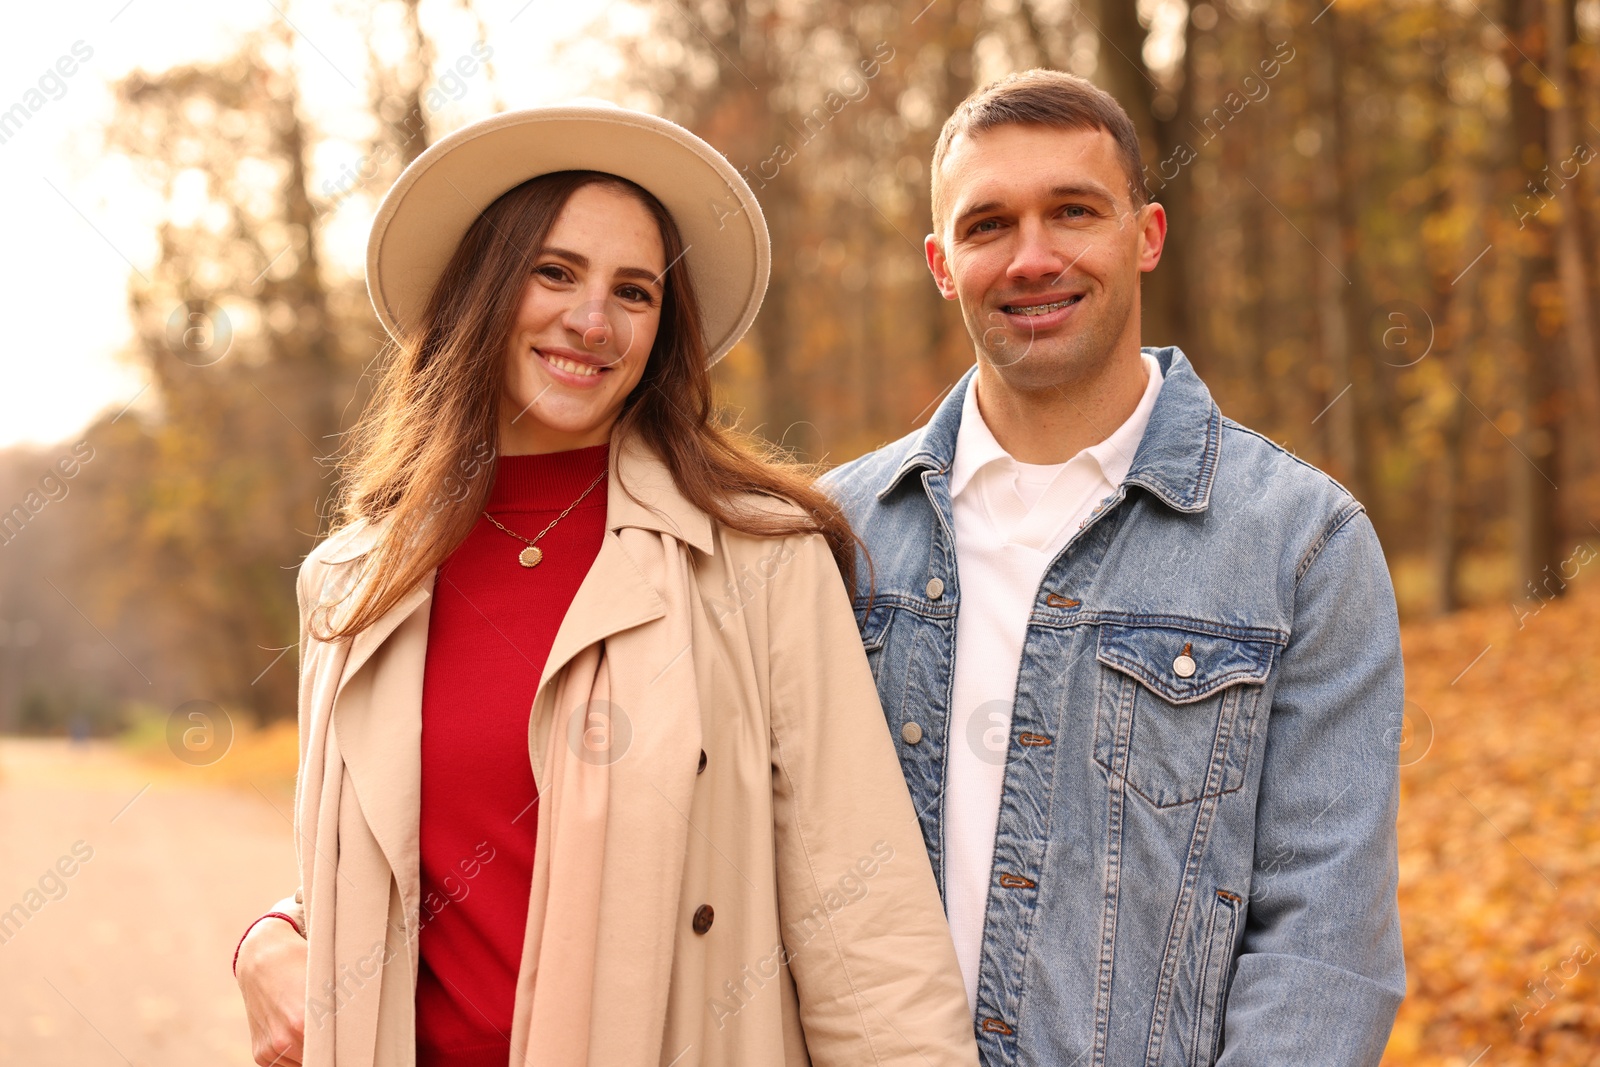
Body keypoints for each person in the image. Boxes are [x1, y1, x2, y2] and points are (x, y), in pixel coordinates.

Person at [231, 103, 979, 1067]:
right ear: (482, 291)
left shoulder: (760, 562)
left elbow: (864, 917)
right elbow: (383, 871)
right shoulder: (351, 585)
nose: (592, 320)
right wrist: (264, 938)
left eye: (635, 291)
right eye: (554, 272)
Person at [821, 70, 1406, 1066]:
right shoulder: (830, 536)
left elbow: (1323, 944)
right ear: (939, 262)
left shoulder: (1301, 544)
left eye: (1074, 211)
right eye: (988, 224)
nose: (1032, 257)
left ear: (1146, 234)